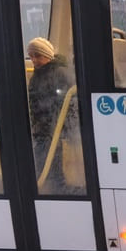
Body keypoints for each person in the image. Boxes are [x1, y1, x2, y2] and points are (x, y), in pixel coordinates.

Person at [26, 37, 76, 193]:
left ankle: (57, 189)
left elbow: (61, 102)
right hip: (45, 126)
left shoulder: (56, 74)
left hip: (52, 127)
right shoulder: (40, 74)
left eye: (38, 56)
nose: (34, 60)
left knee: (50, 163)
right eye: (31, 56)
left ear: (48, 55)